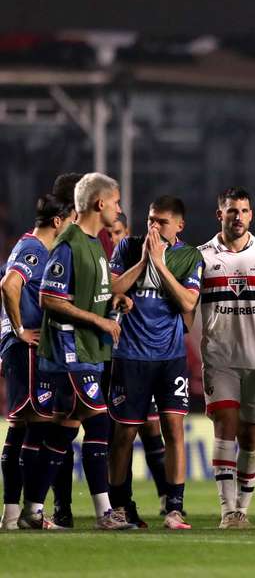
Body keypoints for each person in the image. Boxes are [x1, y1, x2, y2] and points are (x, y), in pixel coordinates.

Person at [20, 173, 133, 530]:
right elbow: (50, 298)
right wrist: (99, 323)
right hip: (69, 352)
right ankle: (103, 514)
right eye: (115, 201)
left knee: (64, 432)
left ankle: (32, 510)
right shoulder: (68, 243)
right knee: (98, 422)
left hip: (88, 351)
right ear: (100, 204)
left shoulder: (95, 244)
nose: (118, 208)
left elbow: (92, 293)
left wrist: (114, 300)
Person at [107, 195, 203, 530]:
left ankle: (174, 507)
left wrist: (160, 265)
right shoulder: (128, 248)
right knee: (124, 434)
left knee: (174, 430)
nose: (154, 226)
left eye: (161, 221)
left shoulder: (189, 256)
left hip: (170, 357)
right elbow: (111, 289)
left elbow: (189, 301)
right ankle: (119, 507)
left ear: (179, 225)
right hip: (130, 356)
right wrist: (145, 261)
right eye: (150, 219)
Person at [198, 187, 255, 529]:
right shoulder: (202, 256)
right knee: (225, 429)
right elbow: (190, 306)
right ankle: (227, 510)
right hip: (220, 359)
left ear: (251, 215)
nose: (238, 217)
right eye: (232, 211)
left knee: (250, 437)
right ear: (220, 214)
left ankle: (243, 508)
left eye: (244, 211)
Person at [0, 194, 75, 529]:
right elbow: (9, 285)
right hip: (26, 347)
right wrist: (19, 330)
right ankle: (31, 513)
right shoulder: (35, 249)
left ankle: (13, 514)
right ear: (58, 221)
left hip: (21, 348)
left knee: (21, 427)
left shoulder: (27, 245)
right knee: (39, 424)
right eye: (71, 221)